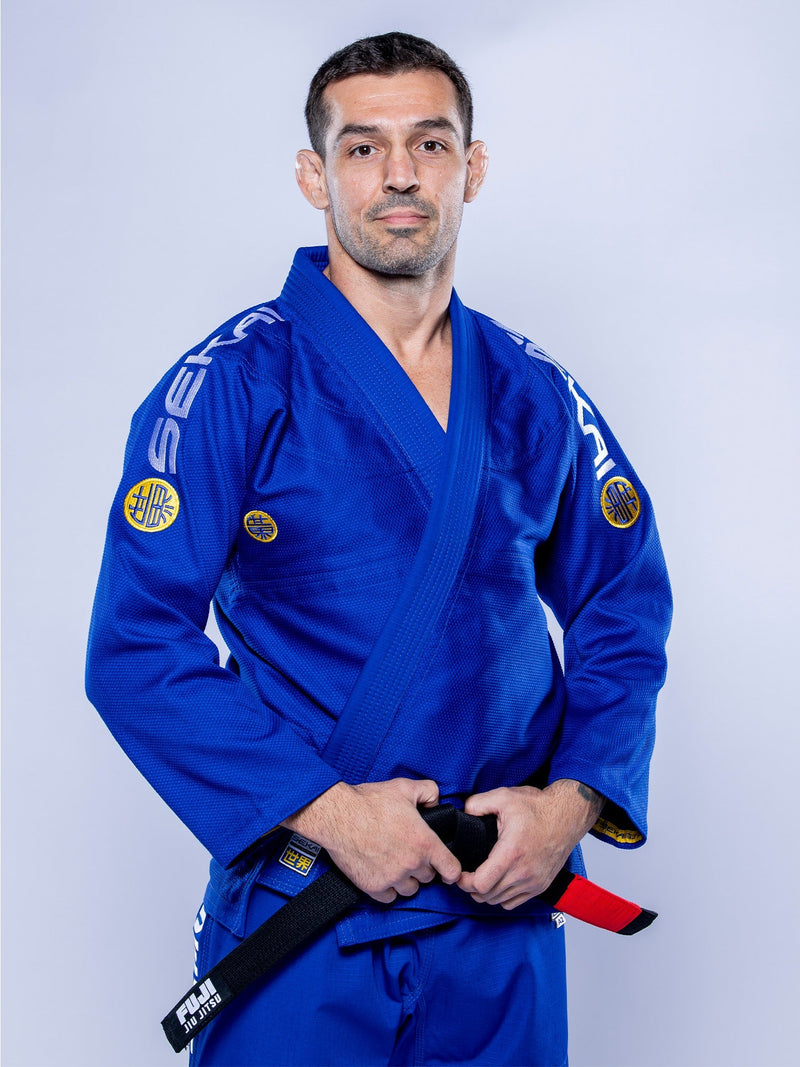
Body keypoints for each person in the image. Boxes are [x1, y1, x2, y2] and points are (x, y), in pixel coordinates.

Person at [86, 30, 671, 1067]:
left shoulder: (536, 392)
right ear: (315, 174)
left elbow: (622, 604)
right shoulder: (228, 383)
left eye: (429, 144)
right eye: (362, 148)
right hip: (307, 910)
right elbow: (136, 645)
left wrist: (568, 801)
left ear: (470, 168)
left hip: (497, 911)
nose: (399, 175)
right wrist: (326, 810)